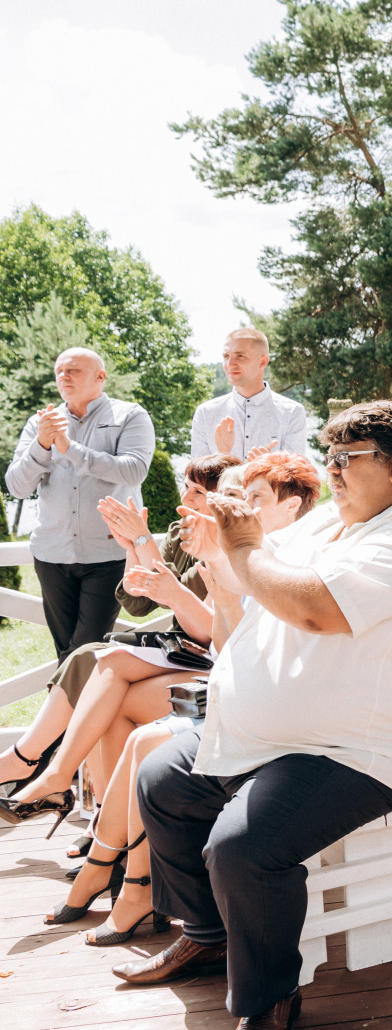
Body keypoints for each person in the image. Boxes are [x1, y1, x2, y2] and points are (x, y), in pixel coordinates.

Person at [114, 401, 392, 1030]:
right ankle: (209, 932)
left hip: (356, 749)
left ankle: (268, 999)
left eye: (347, 458)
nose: (331, 470)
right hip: (274, 735)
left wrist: (245, 544)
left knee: (242, 848)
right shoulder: (332, 522)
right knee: (162, 782)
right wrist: (217, 552)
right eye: (327, 456)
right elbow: (252, 581)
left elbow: (311, 608)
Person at [43, 451, 321, 943]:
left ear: (292, 507)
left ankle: (120, 873)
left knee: (136, 722)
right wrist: (147, 547)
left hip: (257, 703)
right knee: (112, 691)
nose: (232, 507)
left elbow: (225, 644)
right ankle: (116, 864)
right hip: (228, 686)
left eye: (248, 497)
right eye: (234, 497)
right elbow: (141, 601)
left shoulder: (292, 559)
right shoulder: (231, 548)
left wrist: (179, 567)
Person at [0, 453, 240, 801]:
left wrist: (144, 541)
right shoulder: (179, 531)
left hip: (201, 652)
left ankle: (39, 771)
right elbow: (138, 601)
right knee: (90, 662)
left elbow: (181, 598)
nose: (185, 499)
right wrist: (131, 546)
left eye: (197, 493)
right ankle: (83, 805)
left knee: (92, 665)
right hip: (178, 646)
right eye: (186, 488)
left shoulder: (225, 545)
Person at [6, 348, 155, 664]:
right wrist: (42, 445)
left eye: (73, 370)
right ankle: (77, 710)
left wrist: (68, 447)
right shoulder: (39, 424)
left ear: (100, 376)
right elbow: (17, 487)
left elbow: (133, 470)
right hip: (51, 554)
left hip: (109, 553)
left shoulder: (130, 415)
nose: (64, 377)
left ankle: (65, 708)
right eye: (59, 371)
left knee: (85, 651)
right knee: (68, 652)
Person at [189, 329, 309, 460]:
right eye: (226, 356)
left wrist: (267, 469)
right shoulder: (205, 413)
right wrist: (222, 455)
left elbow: (296, 476)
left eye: (240, 356)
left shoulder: (292, 413)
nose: (229, 364)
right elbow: (195, 477)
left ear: (263, 361)